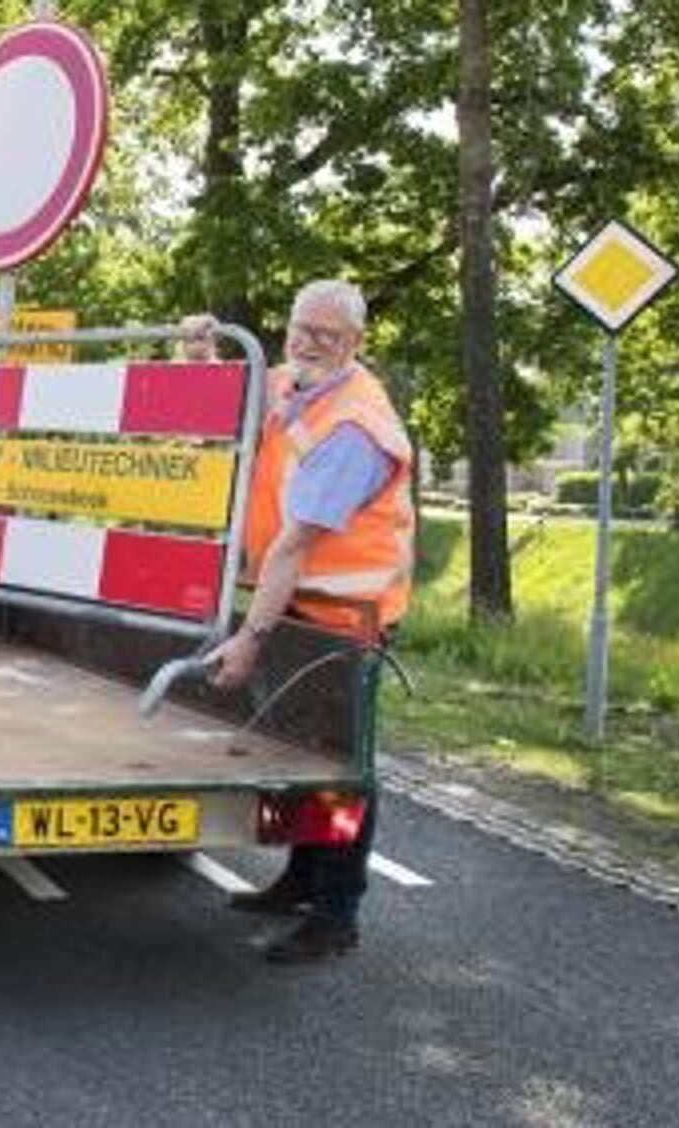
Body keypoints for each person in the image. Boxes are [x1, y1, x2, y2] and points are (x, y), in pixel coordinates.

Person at [202, 279, 414, 964]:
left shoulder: (356, 429)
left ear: (355, 342)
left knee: (343, 763)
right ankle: (298, 879)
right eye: (301, 327)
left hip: (346, 619)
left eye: (327, 333)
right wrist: (208, 352)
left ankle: (336, 914)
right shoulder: (293, 382)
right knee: (301, 748)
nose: (307, 341)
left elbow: (296, 543)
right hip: (300, 605)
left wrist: (249, 637)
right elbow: (240, 401)